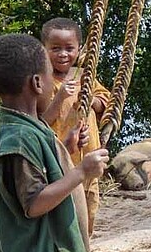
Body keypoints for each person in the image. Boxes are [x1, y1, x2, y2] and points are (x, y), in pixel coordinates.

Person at [0, 33, 108, 252]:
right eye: (50, 74)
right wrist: (81, 172)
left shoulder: (30, 127)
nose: (54, 82)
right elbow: (34, 202)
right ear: (37, 83)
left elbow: (38, 170)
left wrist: (64, 148)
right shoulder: (18, 139)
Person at [41, 18, 111, 235]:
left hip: (88, 156)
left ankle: (86, 244)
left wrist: (91, 101)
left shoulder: (84, 76)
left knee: (89, 204)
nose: (63, 54)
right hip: (60, 161)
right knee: (64, 208)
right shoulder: (43, 82)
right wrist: (60, 97)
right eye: (55, 49)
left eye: (69, 49)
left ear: (79, 49)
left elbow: (104, 101)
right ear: (44, 49)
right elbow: (42, 121)